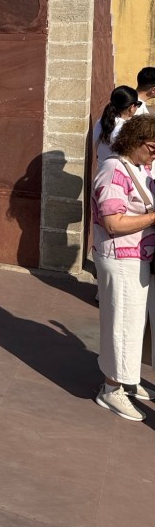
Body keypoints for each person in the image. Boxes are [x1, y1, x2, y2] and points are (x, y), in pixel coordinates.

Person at [92, 114, 155, 421]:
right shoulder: (113, 169)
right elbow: (113, 223)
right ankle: (110, 389)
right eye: (152, 147)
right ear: (134, 141)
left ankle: (126, 378)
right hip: (120, 258)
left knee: (134, 322)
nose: (154, 154)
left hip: (138, 258)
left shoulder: (140, 169)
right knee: (121, 322)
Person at [92, 86, 142, 163]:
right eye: (138, 104)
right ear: (132, 107)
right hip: (117, 169)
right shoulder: (125, 129)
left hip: (102, 167)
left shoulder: (100, 122)